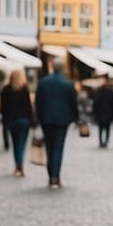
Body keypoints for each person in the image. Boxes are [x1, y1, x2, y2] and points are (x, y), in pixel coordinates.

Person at [34, 57, 79, 189]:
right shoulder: (68, 84)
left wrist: (38, 118)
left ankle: (51, 175)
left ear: (52, 67)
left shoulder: (43, 83)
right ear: (63, 68)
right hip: (62, 121)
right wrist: (76, 118)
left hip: (46, 120)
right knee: (58, 148)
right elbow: (73, 103)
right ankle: (55, 177)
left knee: (49, 147)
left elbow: (38, 103)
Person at [0, 68, 33, 177]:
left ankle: (18, 166)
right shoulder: (24, 89)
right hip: (24, 121)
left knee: (15, 144)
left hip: (12, 121)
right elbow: (29, 107)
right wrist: (32, 121)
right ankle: (20, 166)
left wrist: (5, 121)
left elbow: (3, 108)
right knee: (21, 145)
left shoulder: (6, 89)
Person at [93, 79, 113, 148]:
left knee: (101, 129)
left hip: (101, 113)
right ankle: (105, 141)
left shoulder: (99, 92)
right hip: (107, 113)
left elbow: (95, 104)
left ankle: (102, 141)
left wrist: (94, 113)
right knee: (107, 128)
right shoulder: (110, 92)